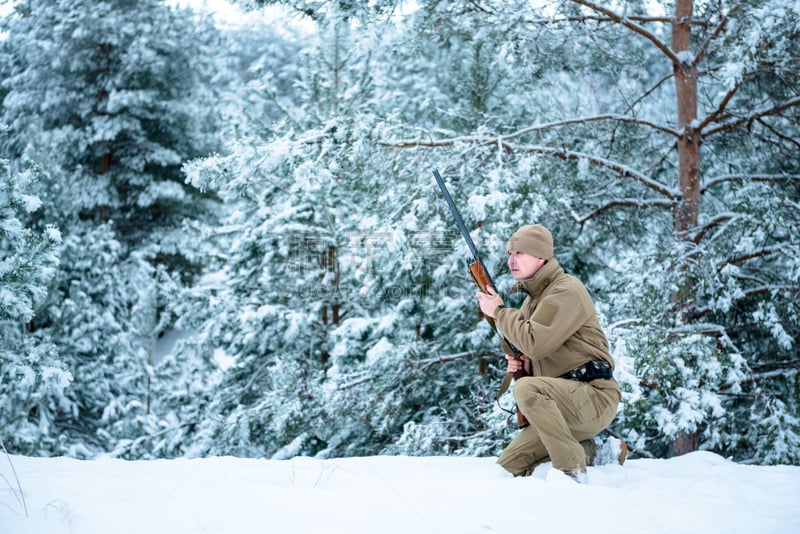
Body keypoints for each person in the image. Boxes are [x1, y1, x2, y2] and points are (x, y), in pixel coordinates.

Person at [475, 224, 621, 482]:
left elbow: (535, 342)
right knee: (508, 467)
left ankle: (571, 470)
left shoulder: (565, 291)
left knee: (527, 389)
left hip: (594, 398)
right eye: (510, 253)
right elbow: (533, 348)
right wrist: (521, 365)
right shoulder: (533, 301)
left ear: (541, 257)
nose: (511, 260)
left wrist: (499, 312)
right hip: (563, 404)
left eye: (520, 253)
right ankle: (598, 452)